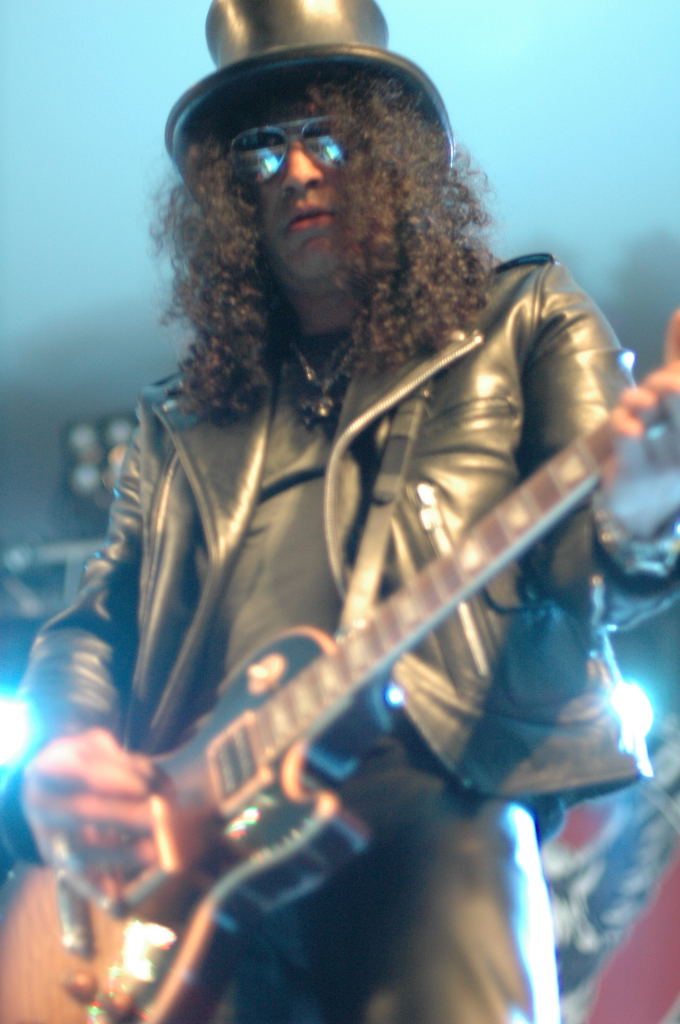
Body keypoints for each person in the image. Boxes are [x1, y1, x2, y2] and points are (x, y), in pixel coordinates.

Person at [2, 1, 680, 1021]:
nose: (297, 171)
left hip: (437, 812)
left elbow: (590, 565)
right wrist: (62, 749)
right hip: (199, 861)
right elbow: (94, 623)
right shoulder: (179, 421)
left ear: (393, 156)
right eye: (261, 151)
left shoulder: (524, 319)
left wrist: (646, 499)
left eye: (328, 137)